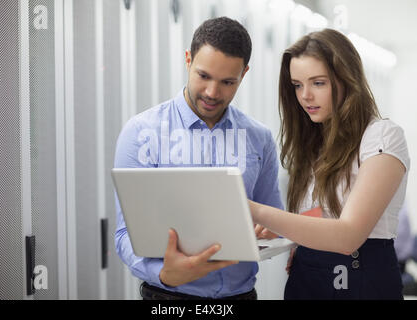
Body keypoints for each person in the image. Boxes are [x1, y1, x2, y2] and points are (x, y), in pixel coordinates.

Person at [114, 17, 283, 300]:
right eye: (203, 76)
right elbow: (124, 235)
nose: (212, 93)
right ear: (188, 60)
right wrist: (164, 274)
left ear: (244, 73)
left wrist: (270, 230)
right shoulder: (142, 132)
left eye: (228, 82)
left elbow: (274, 222)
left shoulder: (259, 138)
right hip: (168, 296)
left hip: (240, 296)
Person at [249, 28, 410, 299]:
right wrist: (289, 228)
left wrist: (256, 211)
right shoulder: (313, 141)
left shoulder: (382, 136)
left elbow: (348, 235)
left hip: (360, 282)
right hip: (308, 280)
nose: (305, 96)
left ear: (347, 79)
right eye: (297, 85)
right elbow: (329, 209)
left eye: (318, 83)